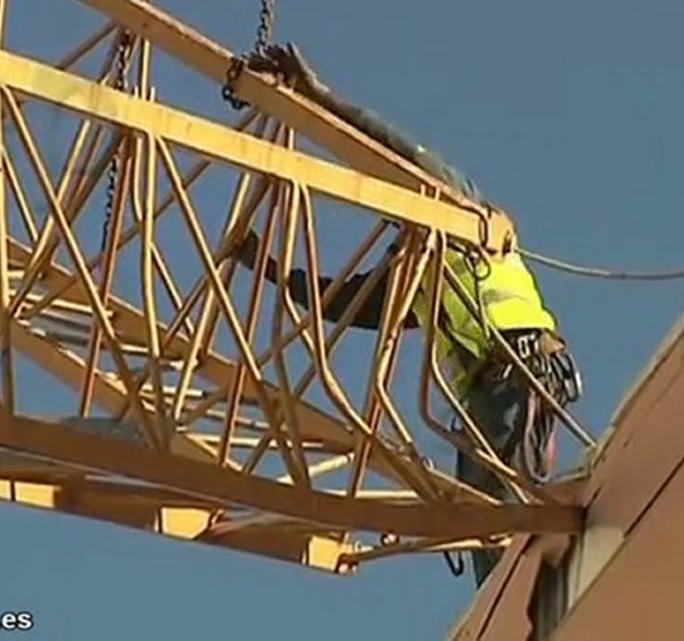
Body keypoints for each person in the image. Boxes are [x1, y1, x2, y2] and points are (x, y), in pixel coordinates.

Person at [231, 43, 583, 589]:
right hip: (484, 401)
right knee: (481, 529)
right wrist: (269, 268)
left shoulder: (462, 211)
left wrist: (319, 98)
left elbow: (394, 149)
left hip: (522, 370)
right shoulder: (416, 277)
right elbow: (342, 302)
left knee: (502, 520)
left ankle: (540, 604)